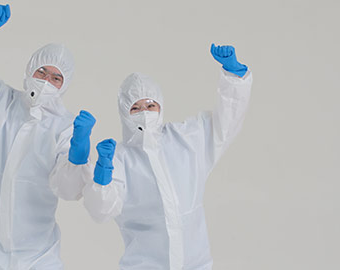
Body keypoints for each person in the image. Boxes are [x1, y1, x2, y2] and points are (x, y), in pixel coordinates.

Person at [64, 44, 253, 269]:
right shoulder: (119, 159)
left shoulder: (186, 140)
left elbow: (225, 125)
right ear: (124, 113)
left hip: (196, 264)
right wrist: (103, 175)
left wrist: (234, 77)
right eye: (136, 108)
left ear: (160, 106)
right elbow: (101, 211)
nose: (145, 113)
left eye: (150, 105)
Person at [0, 4, 95, 269]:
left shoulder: (65, 127)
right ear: (30, 70)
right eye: (41, 72)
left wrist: (78, 151)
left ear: (64, 84)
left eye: (56, 77)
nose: (46, 80)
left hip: (38, 254)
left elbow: (68, 189)